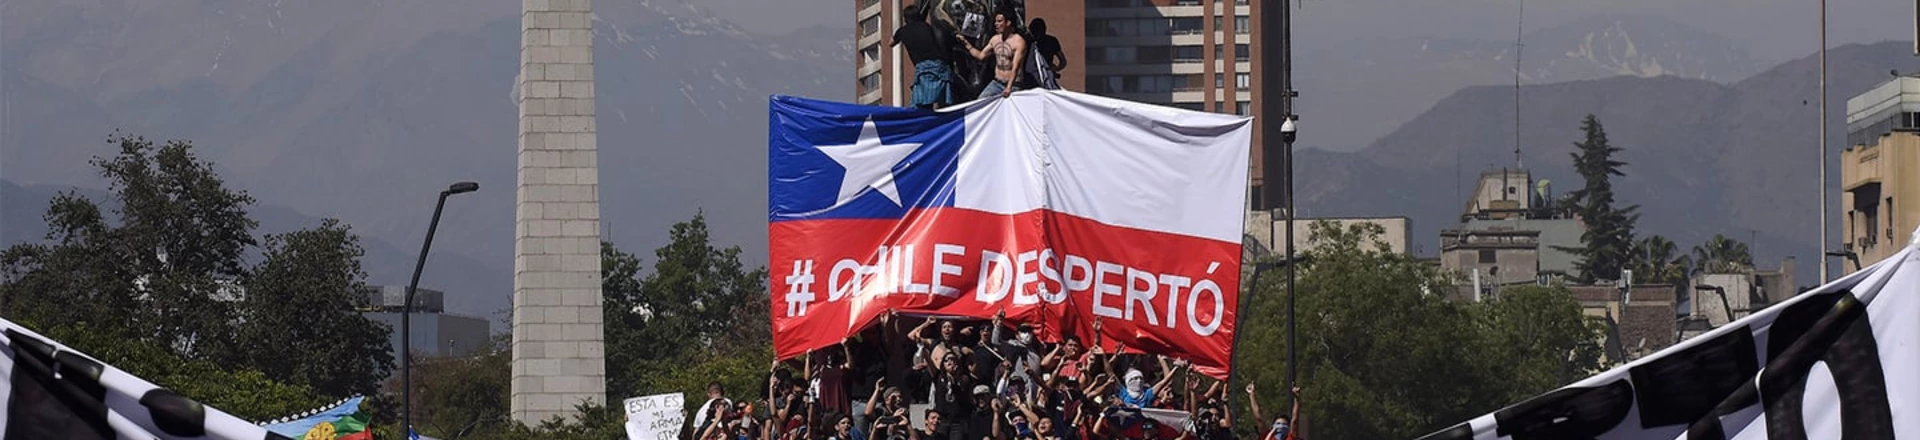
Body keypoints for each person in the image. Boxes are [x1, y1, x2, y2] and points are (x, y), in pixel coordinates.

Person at [892, 3, 956, 109]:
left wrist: (899, 35)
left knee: (922, 103)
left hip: (923, 68)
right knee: (944, 102)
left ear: (905, 18)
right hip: (940, 65)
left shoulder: (902, 31)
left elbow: (891, 43)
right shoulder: (926, 26)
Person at [958, 9, 1027, 99]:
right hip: (997, 83)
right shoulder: (995, 39)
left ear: (1008, 23)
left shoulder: (1019, 42)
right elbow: (981, 56)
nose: (996, 24)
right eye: (995, 21)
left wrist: (1009, 87)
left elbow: (1016, 67)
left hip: (1014, 85)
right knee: (981, 101)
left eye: (999, 21)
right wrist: (966, 43)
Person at [1023, 17, 1065, 90]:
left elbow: (1063, 61)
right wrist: (1056, 68)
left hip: (1044, 75)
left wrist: (1054, 69)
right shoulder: (1027, 42)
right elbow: (1063, 61)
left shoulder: (1051, 41)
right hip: (1030, 77)